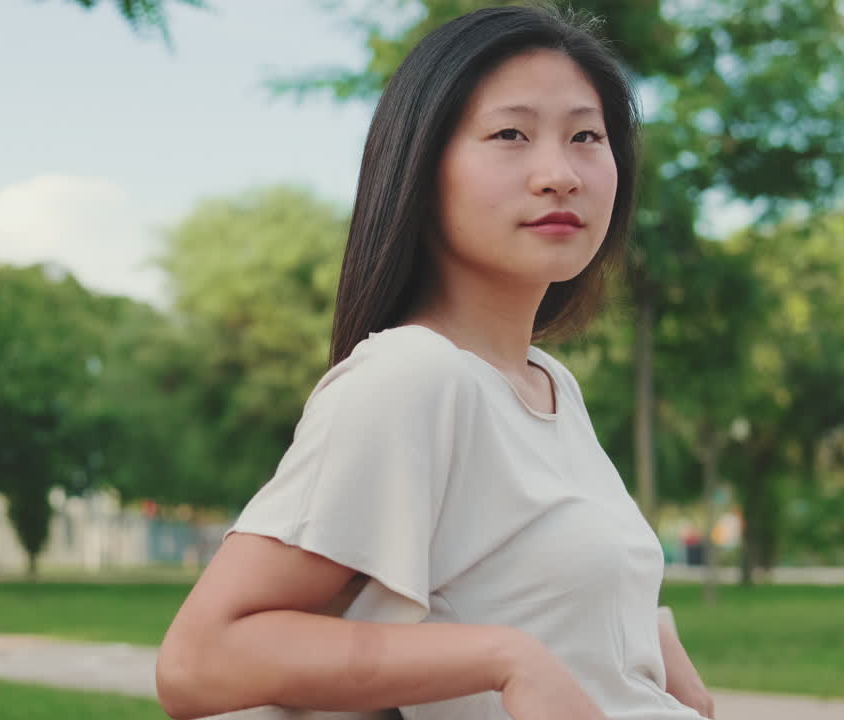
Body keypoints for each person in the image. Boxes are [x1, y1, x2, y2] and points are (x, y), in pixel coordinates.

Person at [155, 6, 715, 720]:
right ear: (421, 167)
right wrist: (505, 659)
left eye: (586, 136)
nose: (559, 173)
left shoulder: (548, 383)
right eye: (511, 134)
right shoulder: (413, 377)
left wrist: (645, 635)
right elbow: (202, 660)